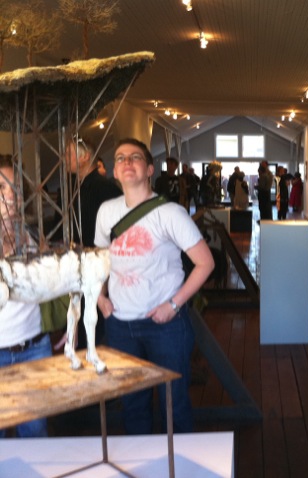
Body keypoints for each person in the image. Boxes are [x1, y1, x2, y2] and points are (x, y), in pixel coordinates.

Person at [94, 138, 215, 434]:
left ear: (149, 169)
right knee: (132, 404)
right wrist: (100, 297)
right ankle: (142, 459)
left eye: (135, 157)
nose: (126, 162)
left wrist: (173, 305)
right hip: (120, 323)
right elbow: (99, 260)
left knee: (174, 403)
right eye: (120, 158)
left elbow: (205, 263)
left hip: (165, 325)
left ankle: (179, 458)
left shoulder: (170, 213)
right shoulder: (106, 211)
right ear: (114, 171)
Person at [0, 154, 52, 438]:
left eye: (15, 188)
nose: (10, 195)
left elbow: (48, 283)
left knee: (35, 432)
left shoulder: (32, 232)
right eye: (1, 187)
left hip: (34, 346)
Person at [53, 137, 122, 349]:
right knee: (80, 318)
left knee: (96, 323)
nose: (63, 159)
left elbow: (117, 233)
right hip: (76, 264)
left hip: (100, 266)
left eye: (68, 154)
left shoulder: (106, 189)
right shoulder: (69, 187)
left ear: (84, 157)